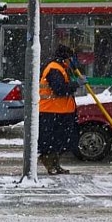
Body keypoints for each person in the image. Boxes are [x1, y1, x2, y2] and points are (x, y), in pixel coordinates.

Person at [38, 44, 86, 175]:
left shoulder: (61, 68)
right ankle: (50, 164)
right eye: (71, 58)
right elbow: (59, 89)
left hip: (61, 112)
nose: (73, 61)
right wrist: (76, 84)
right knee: (51, 142)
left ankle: (55, 164)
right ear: (66, 58)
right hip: (51, 112)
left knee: (61, 141)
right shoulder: (54, 69)